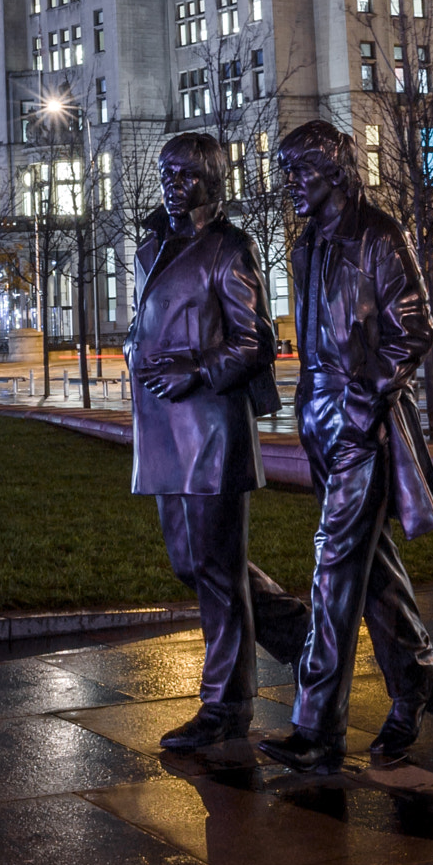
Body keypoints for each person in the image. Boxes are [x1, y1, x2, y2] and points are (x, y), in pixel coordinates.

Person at [258, 120, 433, 775]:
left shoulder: (377, 235)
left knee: (334, 570)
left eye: (299, 172)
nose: (289, 186)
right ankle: (416, 679)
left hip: (361, 427)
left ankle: (316, 726)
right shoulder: (308, 243)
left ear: (333, 170)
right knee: (371, 572)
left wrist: (365, 399)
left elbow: (413, 326)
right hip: (320, 425)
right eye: (286, 174)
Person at [127, 132, 308, 750]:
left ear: (210, 178)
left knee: (216, 568)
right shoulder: (151, 245)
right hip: (162, 429)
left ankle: (225, 705)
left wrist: (196, 370)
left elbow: (255, 338)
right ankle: (304, 636)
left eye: (183, 174)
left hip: (209, 427)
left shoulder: (228, 246)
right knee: (192, 563)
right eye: (164, 172)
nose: (171, 184)